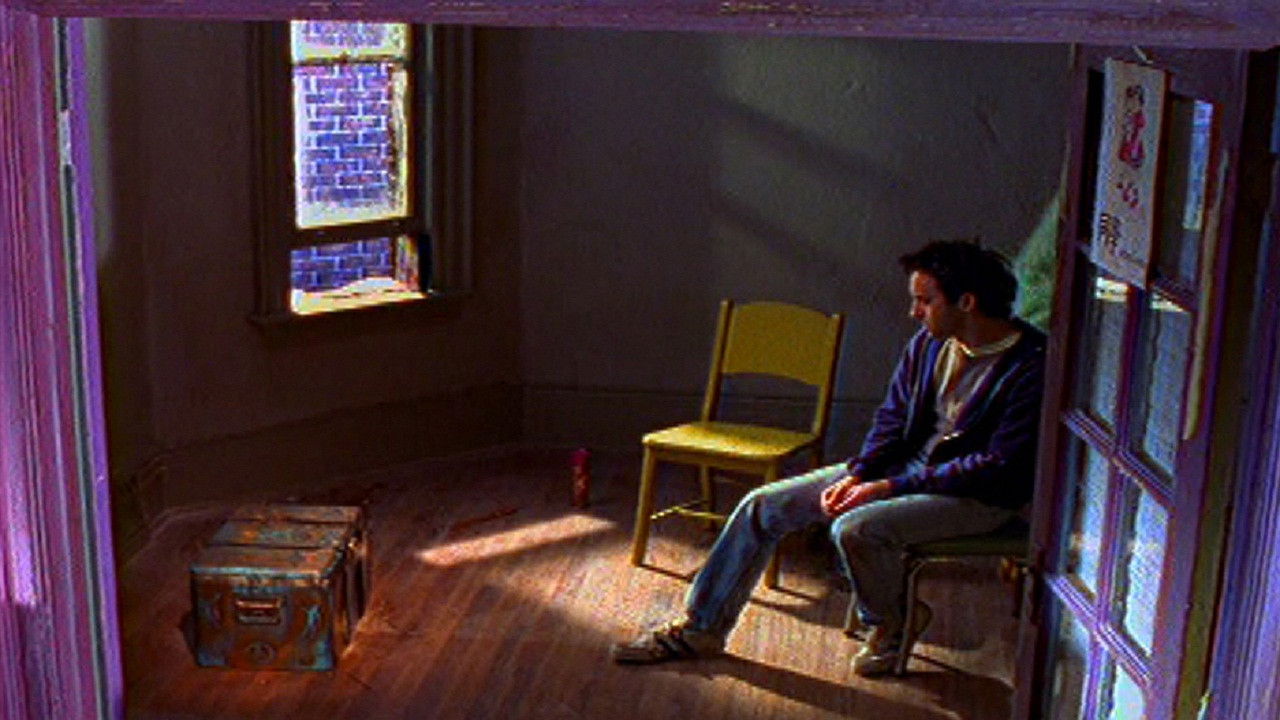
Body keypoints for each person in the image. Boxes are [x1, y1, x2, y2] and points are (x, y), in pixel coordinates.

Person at [611, 239, 1046, 677]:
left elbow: (997, 465)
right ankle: (700, 629)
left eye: (924, 301)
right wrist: (860, 473)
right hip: (903, 472)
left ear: (967, 302)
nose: (914, 312)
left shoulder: (1032, 364)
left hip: (976, 497)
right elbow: (893, 418)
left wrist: (887, 487)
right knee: (761, 506)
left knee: (856, 528)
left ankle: (893, 621)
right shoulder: (929, 344)